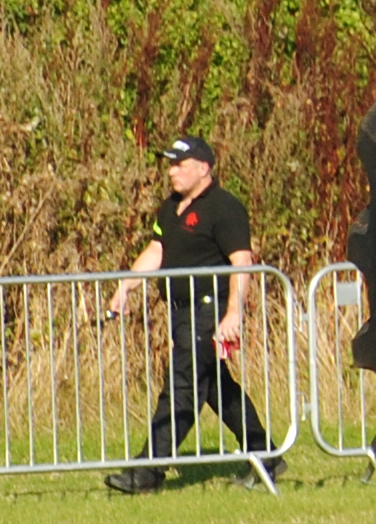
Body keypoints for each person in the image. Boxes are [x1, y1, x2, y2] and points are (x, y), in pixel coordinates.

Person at [105, 135, 271, 494]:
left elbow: (241, 262)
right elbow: (156, 251)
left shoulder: (224, 208)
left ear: (203, 168)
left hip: (209, 309)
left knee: (182, 387)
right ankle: (266, 456)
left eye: (180, 164)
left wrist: (233, 314)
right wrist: (125, 287)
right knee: (215, 389)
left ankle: (147, 471)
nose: (172, 172)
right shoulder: (170, 207)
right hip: (181, 311)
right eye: (170, 164)